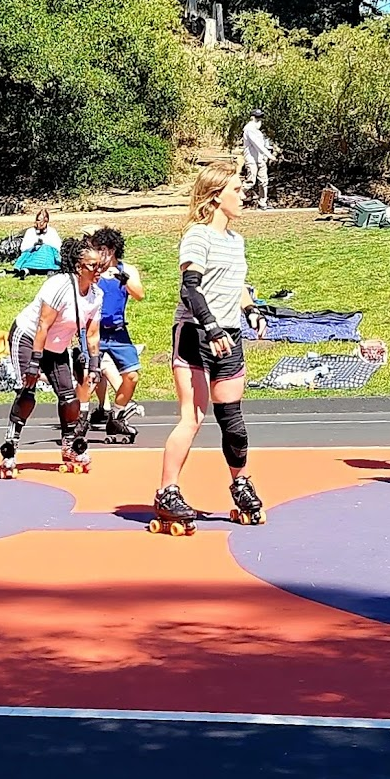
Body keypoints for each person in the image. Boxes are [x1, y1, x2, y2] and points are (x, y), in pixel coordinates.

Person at [152, 161, 262, 531]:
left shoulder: (236, 241)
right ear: (216, 196)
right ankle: (167, 491)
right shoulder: (197, 236)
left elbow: (235, 286)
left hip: (229, 335)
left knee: (232, 420)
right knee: (193, 417)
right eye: (237, 189)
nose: (244, 195)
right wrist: (212, 327)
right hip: (196, 335)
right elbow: (191, 288)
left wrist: (251, 309)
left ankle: (241, 483)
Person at [0, 235, 106, 477]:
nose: (98, 270)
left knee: (69, 398)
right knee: (28, 393)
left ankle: (69, 446)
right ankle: (11, 447)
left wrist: (95, 366)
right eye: (93, 266)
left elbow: (92, 333)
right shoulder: (59, 286)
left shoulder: (96, 295)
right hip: (28, 338)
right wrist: (35, 363)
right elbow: (42, 326)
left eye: (101, 265)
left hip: (56, 347)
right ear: (79, 267)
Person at [85, 224, 146, 442]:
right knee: (88, 377)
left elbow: (139, 294)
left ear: (112, 250)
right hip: (94, 331)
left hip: (118, 333)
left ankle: (117, 415)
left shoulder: (126, 269)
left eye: (103, 249)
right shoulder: (92, 270)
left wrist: (121, 276)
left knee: (132, 375)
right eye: (96, 248)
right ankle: (79, 419)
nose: (99, 253)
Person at [11, 209, 63, 275]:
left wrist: (46, 245)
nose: (40, 223)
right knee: (27, 254)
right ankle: (26, 269)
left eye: (43, 221)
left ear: (47, 222)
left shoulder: (52, 231)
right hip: (33, 254)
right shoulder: (30, 231)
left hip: (47, 255)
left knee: (48, 249)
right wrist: (34, 245)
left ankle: (48, 268)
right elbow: (23, 248)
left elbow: (58, 247)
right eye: (38, 220)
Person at [239, 109, 273, 209]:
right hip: (251, 159)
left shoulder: (258, 132)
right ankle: (234, 196)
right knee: (251, 181)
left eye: (260, 118)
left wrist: (267, 154)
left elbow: (263, 144)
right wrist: (269, 155)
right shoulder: (249, 129)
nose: (259, 120)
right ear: (252, 117)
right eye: (257, 118)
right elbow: (257, 144)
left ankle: (263, 202)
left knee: (264, 181)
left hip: (260, 159)